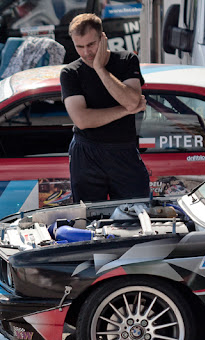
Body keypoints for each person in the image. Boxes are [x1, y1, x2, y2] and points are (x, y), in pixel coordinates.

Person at [60, 13, 150, 203]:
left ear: (103, 39)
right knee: (89, 219)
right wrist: (126, 110)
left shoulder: (126, 60)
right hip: (86, 153)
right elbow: (82, 120)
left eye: (91, 45)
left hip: (124, 150)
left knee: (135, 215)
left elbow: (133, 100)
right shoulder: (70, 72)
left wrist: (100, 69)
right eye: (79, 47)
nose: (86, 53)